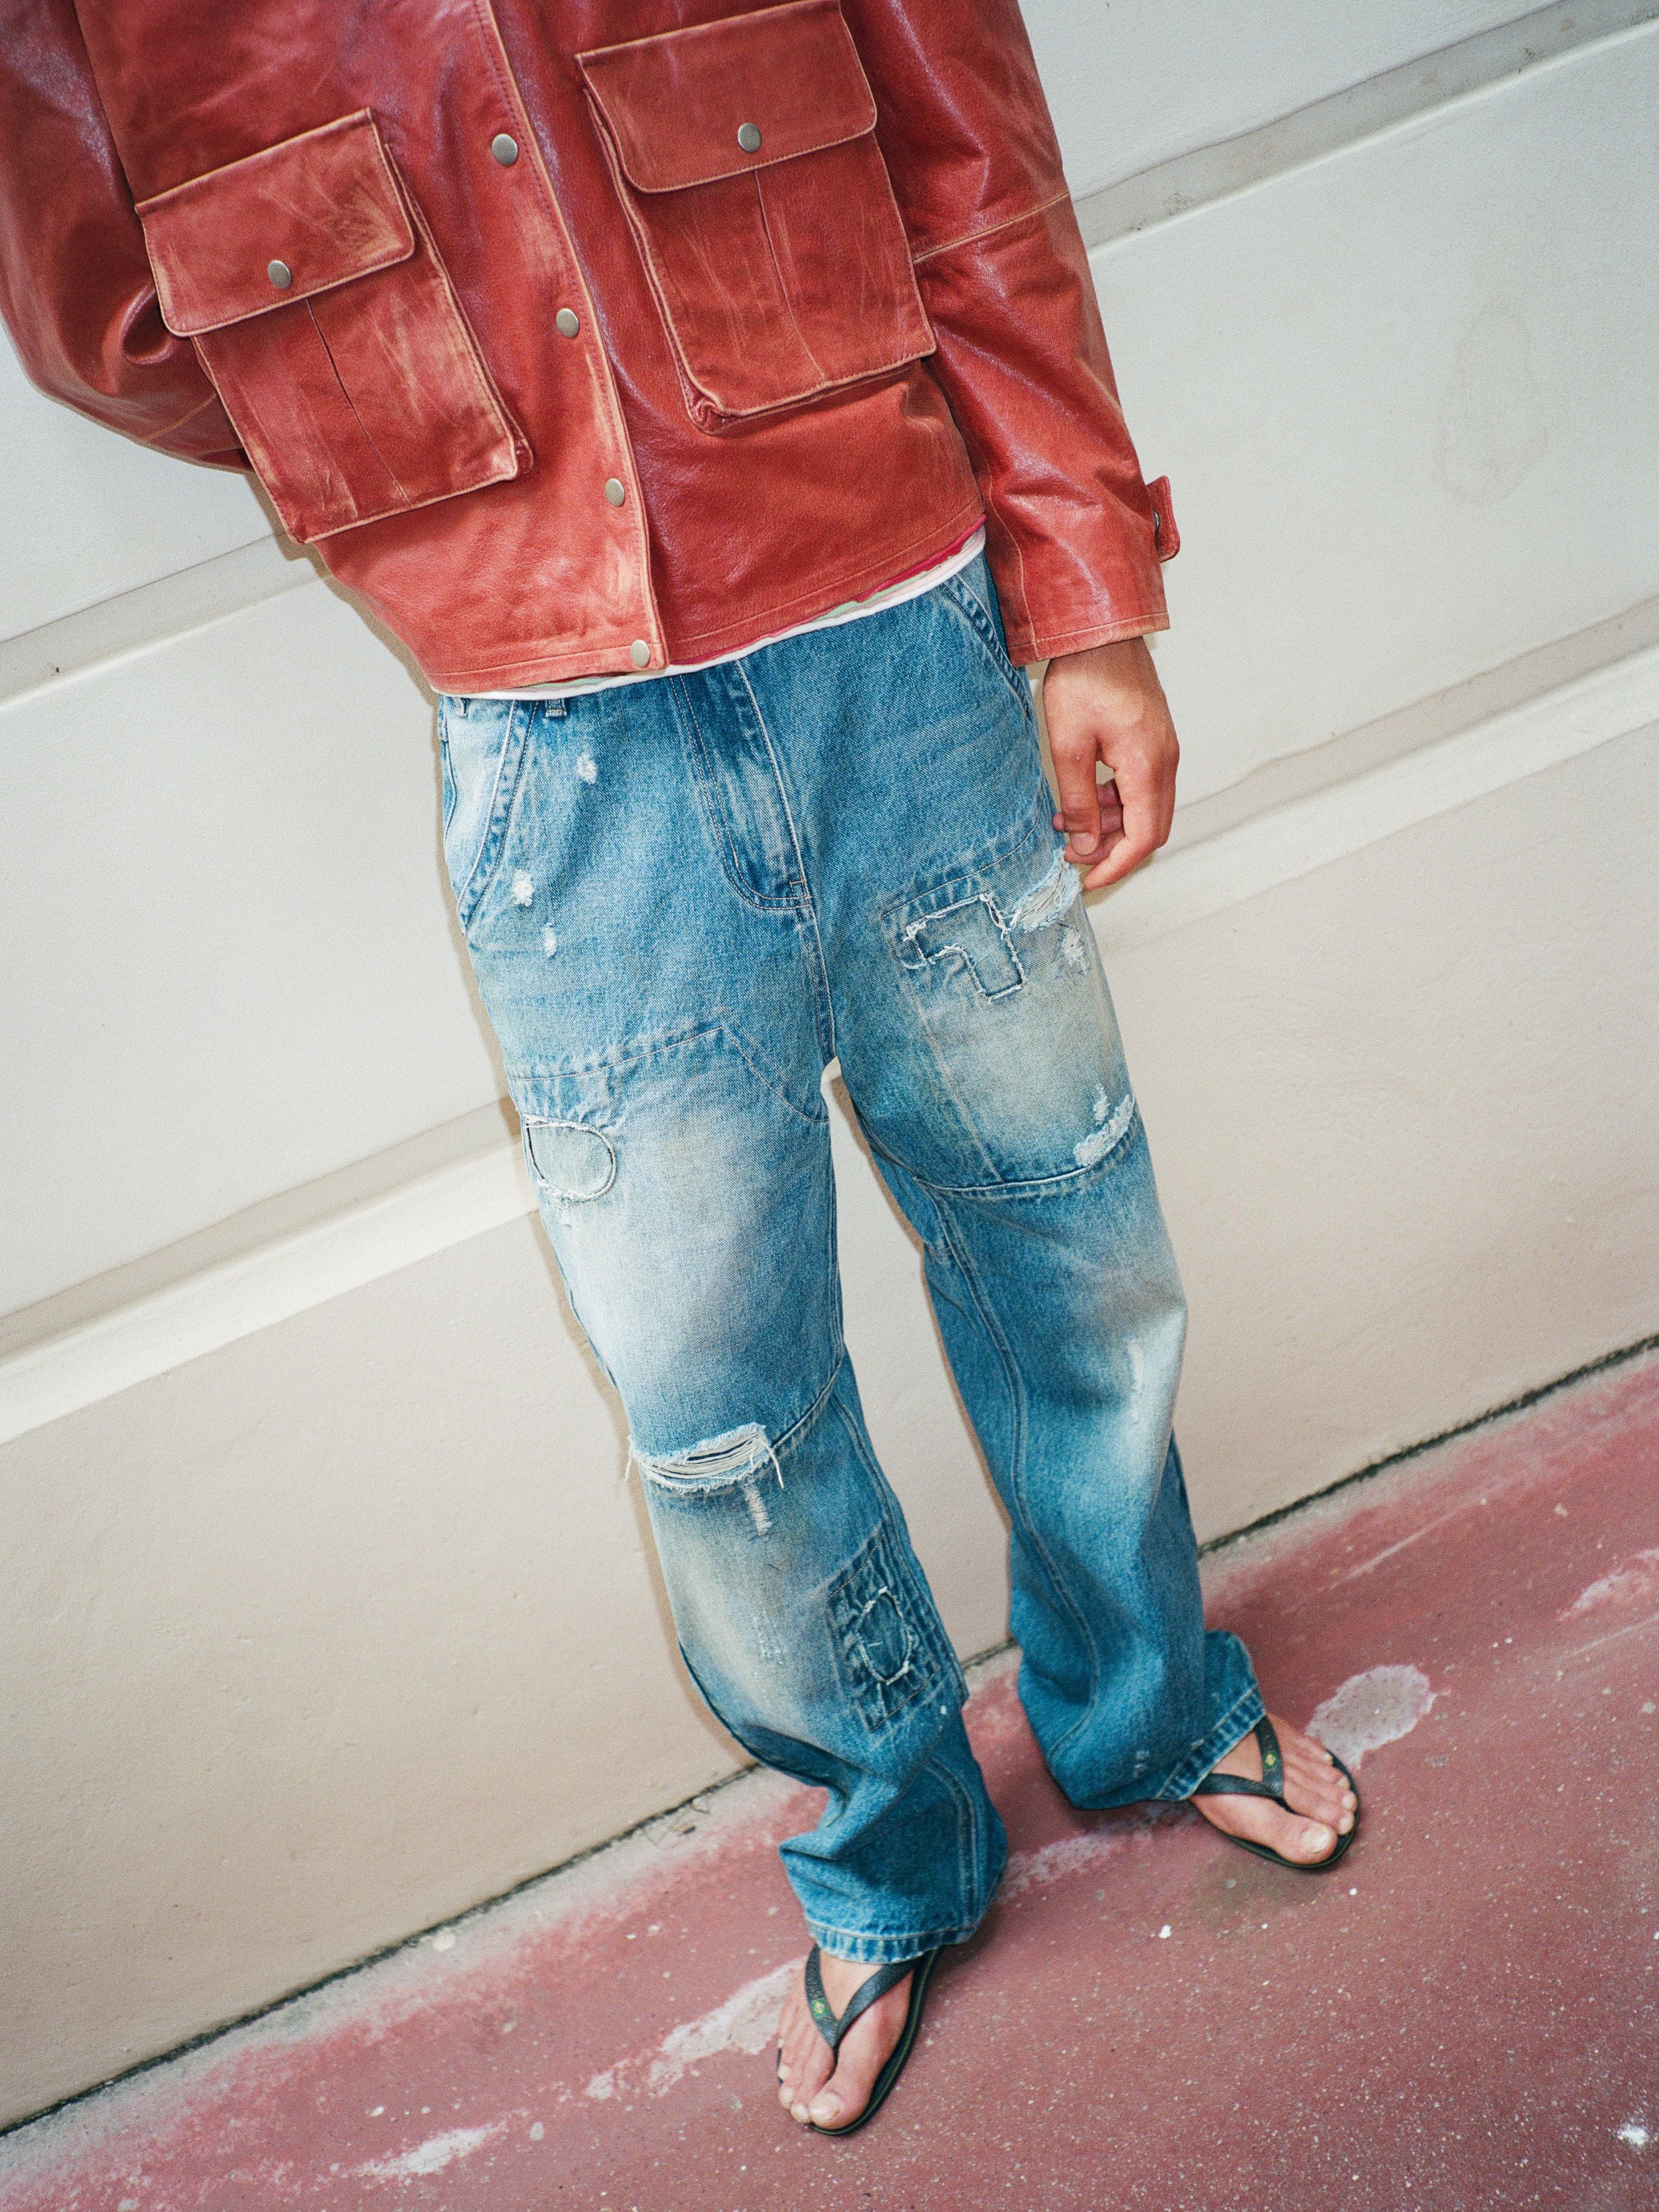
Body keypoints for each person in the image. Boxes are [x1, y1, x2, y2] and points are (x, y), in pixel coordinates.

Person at [0, 0, 1358, 2138]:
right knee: (716, 1405)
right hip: (555, 753)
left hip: (904, 629)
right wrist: (416, 430)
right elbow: (109, 317)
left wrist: (1086, 586)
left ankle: (1155, 1707)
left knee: (1066, 1231)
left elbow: (966, 146)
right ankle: (892, 1853)